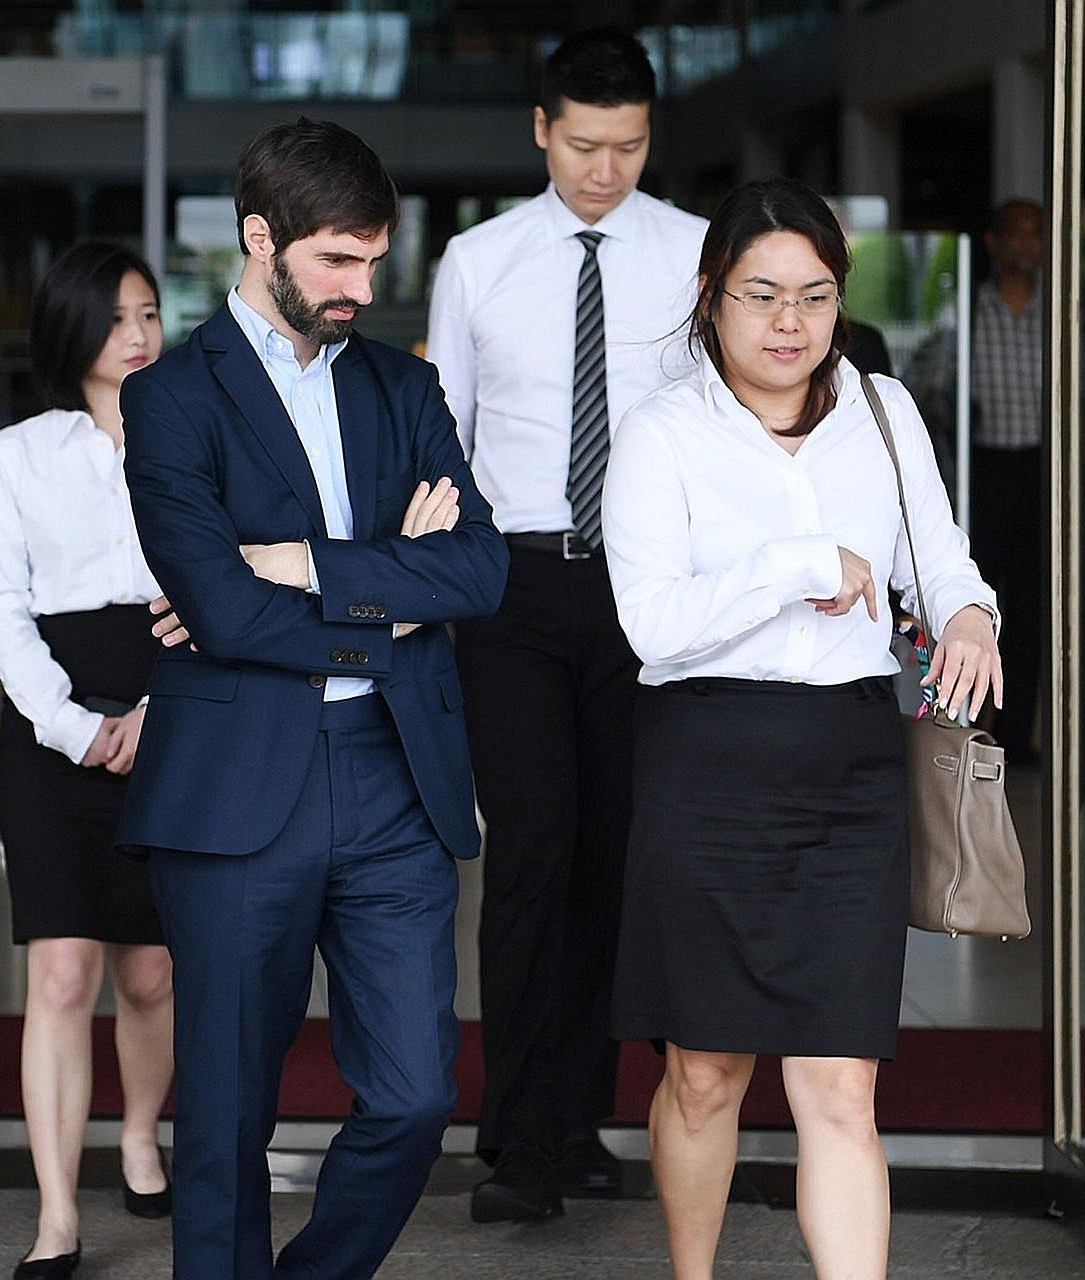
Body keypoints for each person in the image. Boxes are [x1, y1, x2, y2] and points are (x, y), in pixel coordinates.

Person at [116, 118, 508, 1280]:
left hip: (395, 776)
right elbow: (221, 615)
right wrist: (396, 589)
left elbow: (479, 570)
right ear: (260, 237)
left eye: (376, 261)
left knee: (415, 1092)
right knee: (228, 1110)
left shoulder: (404, 385)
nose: (362, 287)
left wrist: (306, 560)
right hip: (240, 791)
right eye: (339, 260)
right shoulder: (172, 398)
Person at [601, 177, 1001, 1280]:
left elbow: (944, 564)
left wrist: (970, 612)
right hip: (707, 769)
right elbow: (654, 625)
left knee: (841, 1081)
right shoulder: (661, 433)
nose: (791, 324)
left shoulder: (883, 410)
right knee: (704, 1071)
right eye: (762, 295)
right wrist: (802, 566)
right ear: (711, 297)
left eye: (815, 296)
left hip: (849, 773)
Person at [426, 26, 707, 1222]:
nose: (606, 169)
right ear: (542, 130)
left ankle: (583, 1115)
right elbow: (448, 433)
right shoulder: (478, 259)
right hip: (517, 588)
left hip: (647, 590)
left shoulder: (698, 252)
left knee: (617, 855)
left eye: (630, 146)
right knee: (534, 850)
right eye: (585, 145)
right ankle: (517, 1137)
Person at [0, 242, 174, 1280]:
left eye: (149, 313)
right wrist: (73, 724)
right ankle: (56, 1215)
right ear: (72, 328)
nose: (139, 334)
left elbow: (219, 588)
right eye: (118, 316)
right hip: (55, 738)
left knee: (148, 972)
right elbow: (0, 608)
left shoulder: (193, 441)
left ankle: (139, 1133)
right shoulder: (17, 453)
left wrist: (151, 714)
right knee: (59, 972)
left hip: (170, 715)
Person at [970, 199, 1043, 764]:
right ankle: (970, 727)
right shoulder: (970, 311)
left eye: (1036, 234)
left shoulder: (1062, 309)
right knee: (977, 595)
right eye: (1015, 233)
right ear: (993, 243)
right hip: (986, 468)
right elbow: (934, 386)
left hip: (1044, 471)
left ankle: (1017, 737)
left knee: (1032, 600)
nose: (1027, 243)